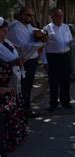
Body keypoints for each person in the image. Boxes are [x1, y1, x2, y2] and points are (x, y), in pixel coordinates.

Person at [7, 7, 44, 117]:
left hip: (32, 61)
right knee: (22, 87)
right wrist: (37, 44)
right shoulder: (15, 27)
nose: (31, 18)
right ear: (22, 15)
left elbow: (37, 37)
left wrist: (42, 36)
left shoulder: (29, 27)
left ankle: (26, 108)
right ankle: (22, 111)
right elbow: (21, 46)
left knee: (28, 86)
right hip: (22, 61)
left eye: (32, 16)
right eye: (29, 15)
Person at [0, 17, 28, 154]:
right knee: (5, 117)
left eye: (6, 31)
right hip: (2, 87)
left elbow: (13, 57)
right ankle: (6, 143)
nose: (5, 34)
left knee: (14, 111)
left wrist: (19, 60)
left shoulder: (6, 42)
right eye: (3, 31)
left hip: (12, 83)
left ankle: (16, 138)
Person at [42, 9, 74, 112]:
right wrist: (45, 62)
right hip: (53, 57)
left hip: (65, 56)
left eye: (61, 15)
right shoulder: (47, 28)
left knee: (66, 80)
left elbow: (70, 40)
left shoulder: (66, 27)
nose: (60, 18)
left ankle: (65, 101)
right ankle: (53, 103)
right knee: (54, 82)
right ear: (52, 17)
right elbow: (43, 47)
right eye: (58, 16)